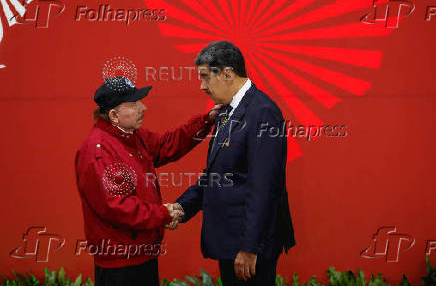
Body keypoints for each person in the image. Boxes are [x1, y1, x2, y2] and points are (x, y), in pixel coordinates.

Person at [168, 41, 296, 285]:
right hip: (231, 244)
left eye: (206, 77)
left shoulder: (262, 112)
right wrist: (183, 207)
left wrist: (250, 247)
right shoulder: (227, 111)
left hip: (248, 249)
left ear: (228, 73)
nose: (202, 86)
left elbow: (264, 187)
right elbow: (217, 174)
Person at [74, 77, 221, 286]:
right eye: (134, 104)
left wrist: (206, 121)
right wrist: (163, 214)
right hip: (121, 264)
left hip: (141, 254)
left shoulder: (131, 136)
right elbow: (116, 206)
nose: (143, 108)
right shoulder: (99, 151)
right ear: (114, 115)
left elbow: (165, 145)